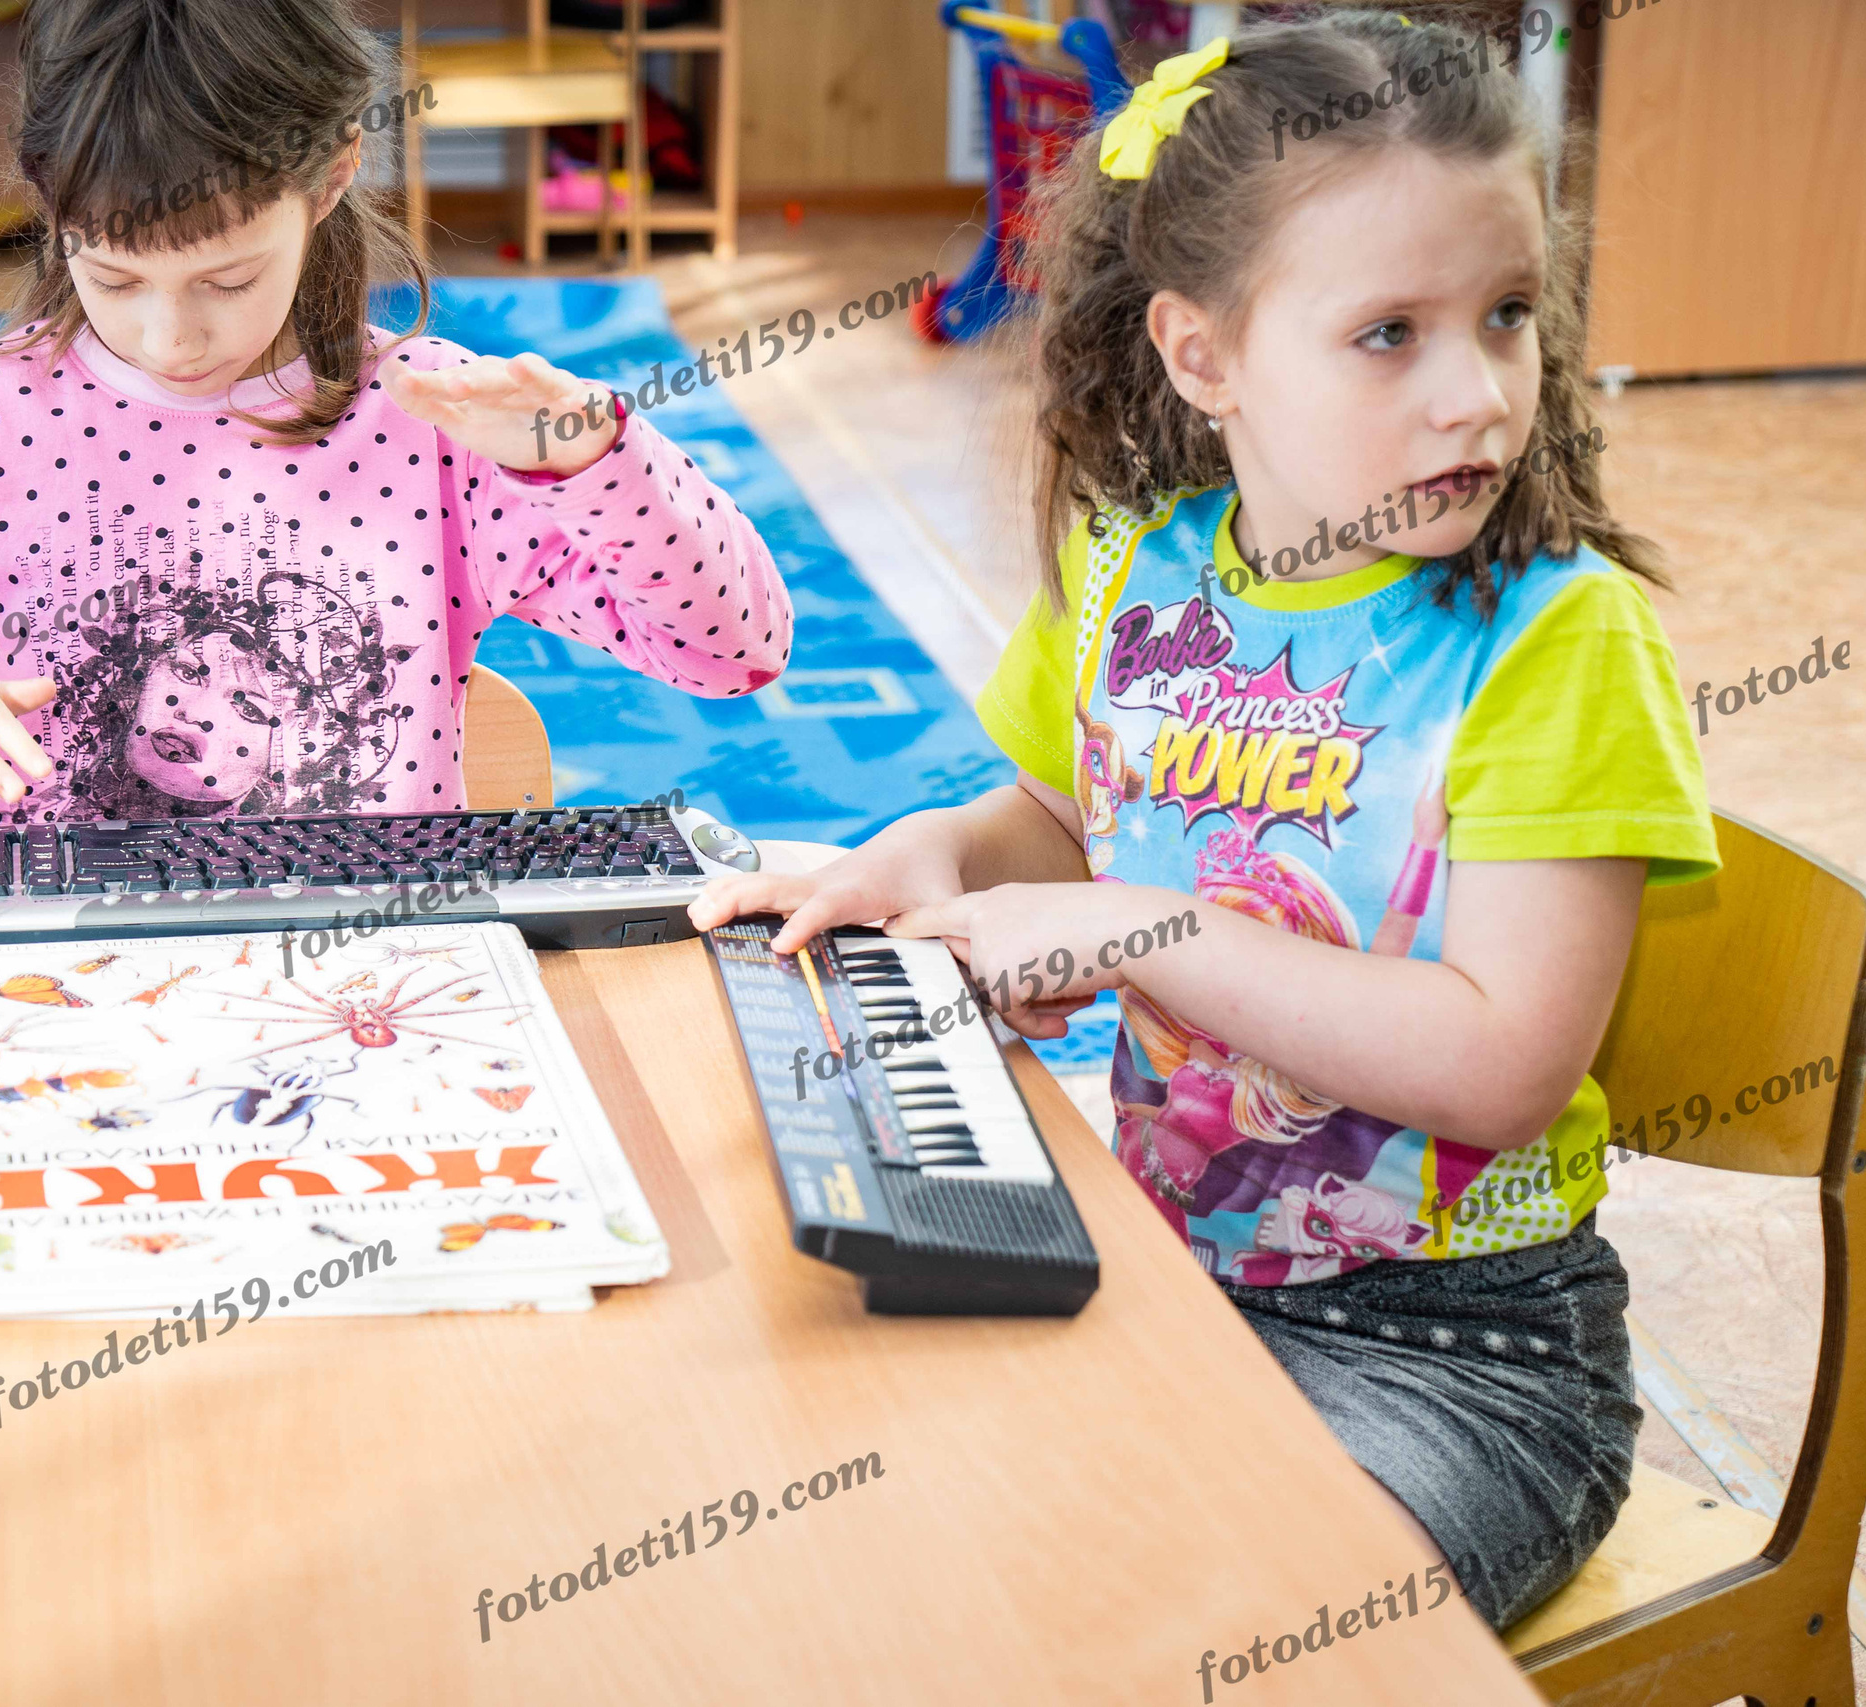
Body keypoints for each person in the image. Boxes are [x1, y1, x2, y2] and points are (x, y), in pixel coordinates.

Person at [693, 12, 1713, 1631]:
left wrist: (1124, 928)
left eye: (1508, 315)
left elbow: (1502, 1062)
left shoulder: (1558, 639)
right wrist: (938, 859)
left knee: (1185, 1631)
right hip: (1171, 1281)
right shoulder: (1136, 570)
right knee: (875, 1547)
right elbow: (1059, 812)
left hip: (1461, 1362)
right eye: (1390, 333)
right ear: (1203, 354)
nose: (1476, 391)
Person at [0, 0, 789, 824]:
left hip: (363, 996)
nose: (168, 339)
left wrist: (598, 464)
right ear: (48, 203)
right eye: (114, 277)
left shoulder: (438, 422)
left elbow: (736, 654)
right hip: (43, 998)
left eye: (226, 279)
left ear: (332, 177)